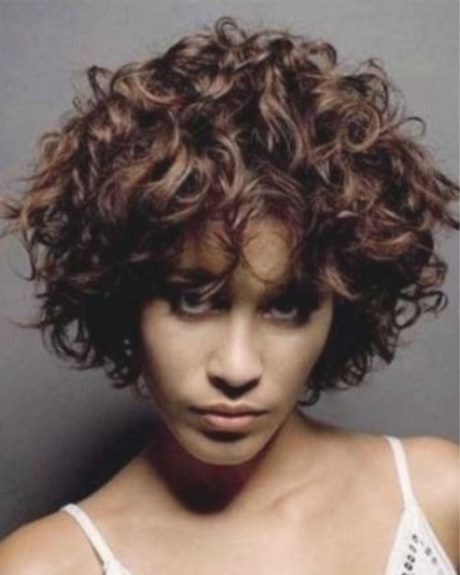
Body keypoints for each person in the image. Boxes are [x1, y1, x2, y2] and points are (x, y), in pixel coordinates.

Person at [0, 16, 458, 575]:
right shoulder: (46, 566)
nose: (237, 369)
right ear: (120, 296)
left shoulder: (440, 499)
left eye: (287, 306)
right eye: (193, 300)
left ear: (344, 305)